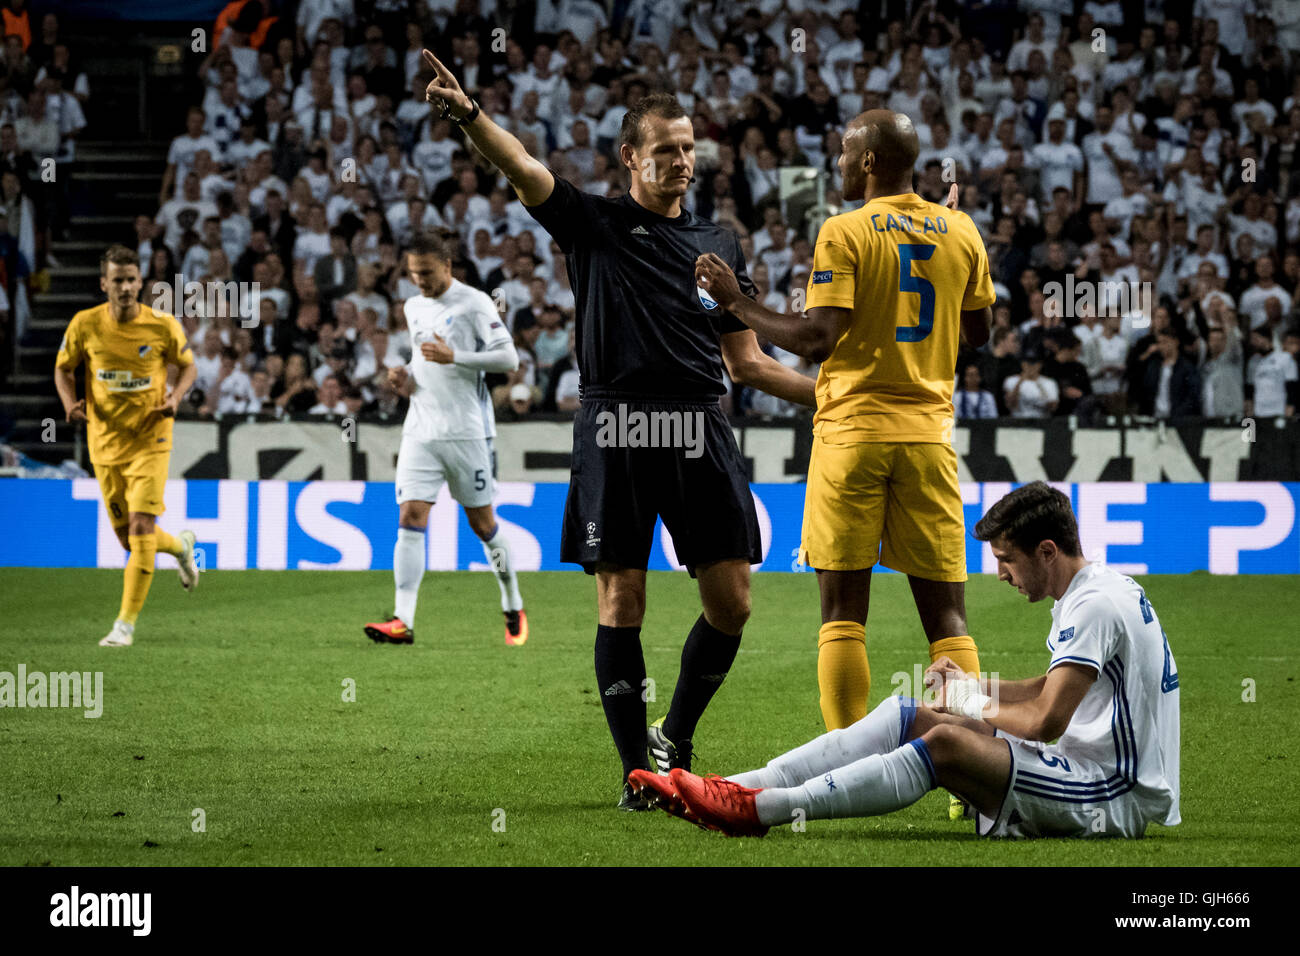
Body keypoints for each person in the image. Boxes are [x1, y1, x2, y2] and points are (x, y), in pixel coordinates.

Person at [418, 49, 816, 809]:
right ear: (631, 156)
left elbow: (752, 364)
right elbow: (524, 168)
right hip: (617, 427)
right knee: (620, 601)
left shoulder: (720, 246)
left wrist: (833, 399)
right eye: (667, 149)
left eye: (691, 148)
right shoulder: (594, 223)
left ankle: (679, 736)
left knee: (732, 601)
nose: (683, 162)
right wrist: (470, 115)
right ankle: (640, 771)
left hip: (700, 427)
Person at [630, 483, 1181, 841]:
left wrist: (970, 700)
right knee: (908, 713)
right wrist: (973, 685)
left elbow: (1045, 721)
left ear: (1046, 552)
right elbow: (1049, 685)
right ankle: (729, 785)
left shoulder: (1093, 606)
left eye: (1007, 560)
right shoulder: (1093, 590)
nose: (1001, 575)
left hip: (1112, 793)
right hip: (1086, 768)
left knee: (944, 742)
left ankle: (760, 810)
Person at [694, 110, 994, 753]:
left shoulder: (844, 230)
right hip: (929, 438)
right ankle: (974, 770)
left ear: (865, 162)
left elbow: (817, 338)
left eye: (841, 151)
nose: (834, 161)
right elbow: (980, 334)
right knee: (947, 619)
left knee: (842, 615)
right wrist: (949, 240)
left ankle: (849, 765)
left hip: (852, 435)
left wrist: (736, 301)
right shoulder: (962, 229)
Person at [363, 231, 529, 647]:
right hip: (421, 429)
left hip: (467, 432)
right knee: (410, 516)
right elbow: (423, 359)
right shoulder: (412, 306)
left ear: (448, 267)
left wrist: (458, 358)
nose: (419, 280)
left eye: (427, 273)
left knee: (483, 523)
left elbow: (509, 358)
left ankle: (512, 601)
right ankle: (402, 619)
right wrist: (404, 375)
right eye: (413, 273)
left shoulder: (474, 303)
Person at [53, 244, 200, 647]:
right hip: (104, 444)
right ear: (104, 284)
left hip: (151, 440)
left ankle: (125, 625)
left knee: (140, 528)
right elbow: (63, 369)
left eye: (131, 279)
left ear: (141, 282)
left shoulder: (161, 325)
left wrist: (175, 397)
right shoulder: (84, 325)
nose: (125, 287)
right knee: (131, 540)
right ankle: (182, 548)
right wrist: (69, 404)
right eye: (117, 280)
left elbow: (189, 366)